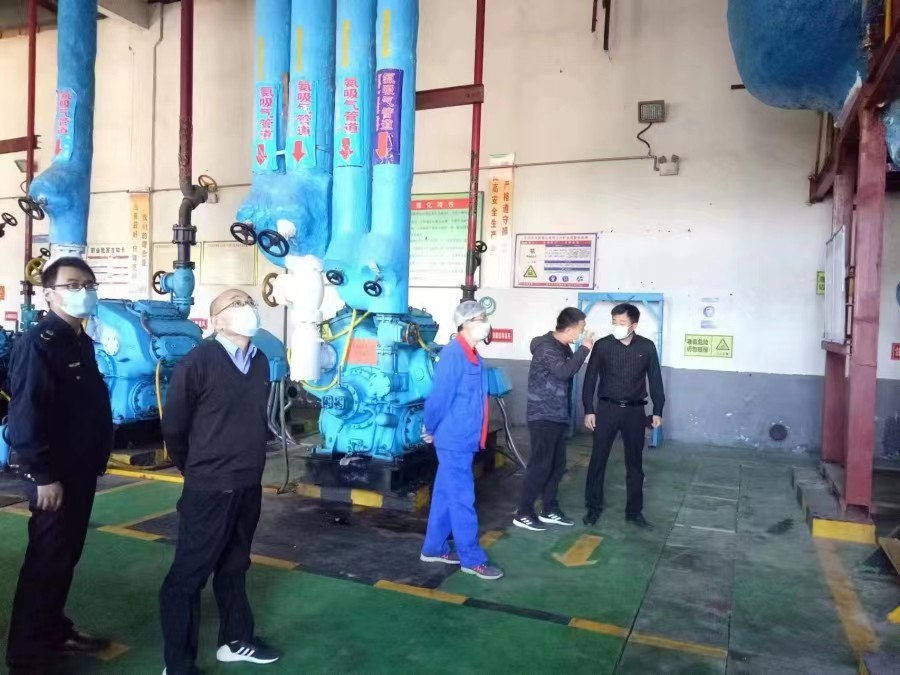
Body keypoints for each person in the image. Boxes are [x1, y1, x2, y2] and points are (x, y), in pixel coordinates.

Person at [159, 289, 280, 674]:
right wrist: (196, 468)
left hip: (248, 483)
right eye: (237, 304)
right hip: (210, 486)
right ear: (217, 320)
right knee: (188, 575)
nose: (248, 309)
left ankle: (235, 640)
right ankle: (178, 664)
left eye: (250, 303)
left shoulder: (260, 361)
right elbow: (174, 427)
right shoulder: (197, 363)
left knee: (235, 564)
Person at [6, 257, 113, 673]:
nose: (83, 290)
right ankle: (28, 655)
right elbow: (26, 415)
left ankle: (53, 630)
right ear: (49, 294)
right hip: (54, 474)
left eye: (88, 283)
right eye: (72, 284)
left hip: (79, 470)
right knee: (46, 560)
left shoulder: (78, 339)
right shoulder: (40, 342)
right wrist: (42, 475)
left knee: (65, 556)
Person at [419, 300, 504, 580]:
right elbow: (439, 397)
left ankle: (433, 547)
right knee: (462, 499)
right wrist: (430, 427)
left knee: (446, 494)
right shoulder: (454, 354)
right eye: (481, 318)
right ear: (465, 323)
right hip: (454, 439)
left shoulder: (473, 356)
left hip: (464, 438)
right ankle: (472, 559)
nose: (485, 323)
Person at [582, 303, 665, 528]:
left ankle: (634, 512)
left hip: (635, 411)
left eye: (622, 323)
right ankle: (593, 508)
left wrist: (658, 410)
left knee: (635, 463)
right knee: (598, 459)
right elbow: (590, 379)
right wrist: (588, 409)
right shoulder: (603, 346)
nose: (617, 326)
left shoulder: (647, 347)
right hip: (606, 409)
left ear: (633, 325)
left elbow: (655, 379)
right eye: (614, 322)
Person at [514, 308, 594, 531]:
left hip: (557, 415)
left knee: (557, 466)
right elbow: (563, 372)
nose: (582, 332)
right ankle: (524, 512)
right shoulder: (546, 347)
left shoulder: (563, 347)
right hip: (543, 415)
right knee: (540, 466)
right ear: (569, 328)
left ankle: (549, 508)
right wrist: (585, 349)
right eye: (581, 328)